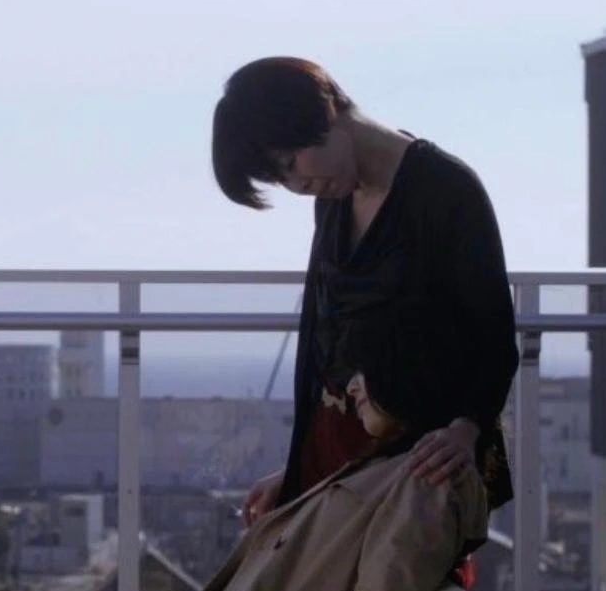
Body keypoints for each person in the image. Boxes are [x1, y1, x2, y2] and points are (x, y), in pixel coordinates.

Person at [210, 56, 519, 586]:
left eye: (291, 162)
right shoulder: (334, 200)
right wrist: (299, 474)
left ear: (324, 112)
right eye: (282, 177)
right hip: (343, 457)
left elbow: (493, 334)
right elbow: (333, 348)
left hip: (421, 463)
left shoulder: (445, 190)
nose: (298, 185)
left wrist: (465, 429)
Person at [201, 319, 489, 591]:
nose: (351, 388)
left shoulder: (429, 472)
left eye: (364, 371)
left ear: (402, 372)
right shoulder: (385, 465)